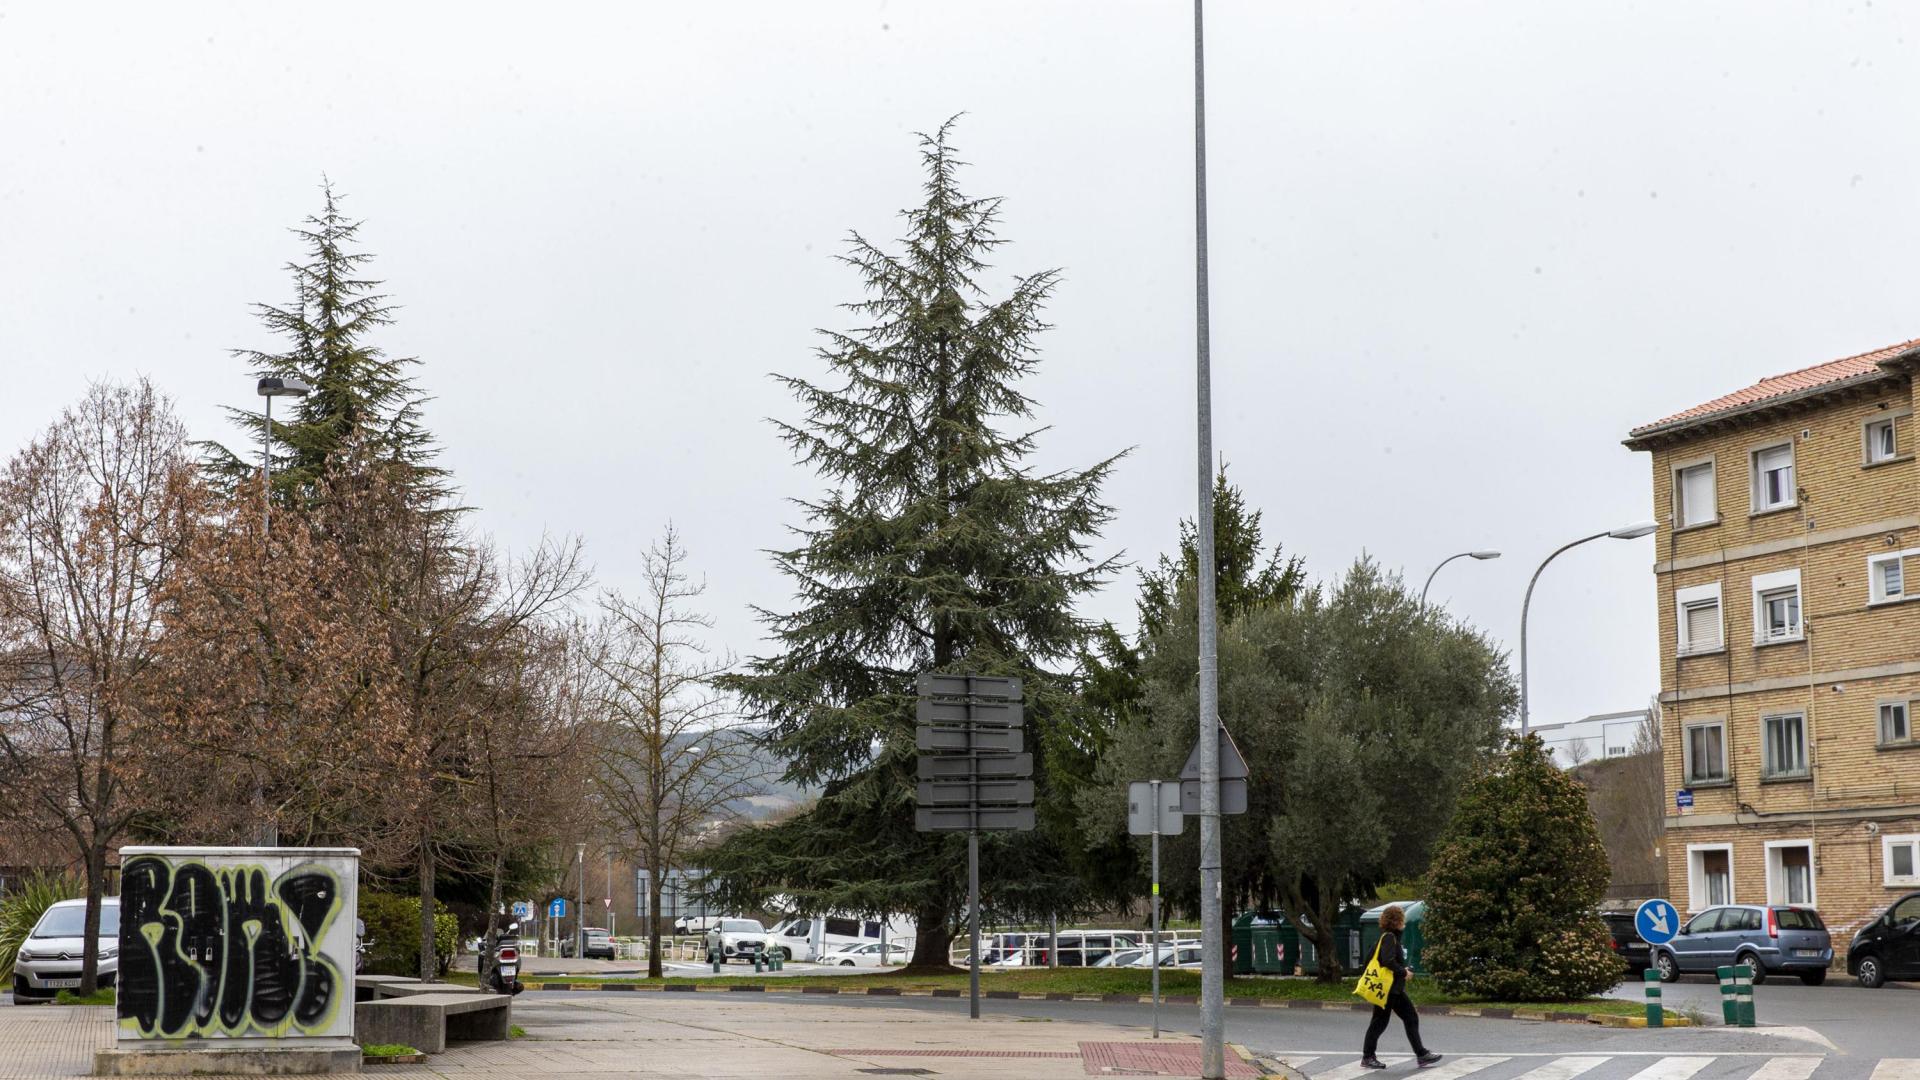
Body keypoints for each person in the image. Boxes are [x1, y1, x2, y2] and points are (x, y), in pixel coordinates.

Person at [1362, 905, 1441, 1069]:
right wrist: (1403, 972)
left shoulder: (1387, 937)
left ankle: (1421, 1054)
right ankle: (1368, 1056)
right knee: (1381, 1022)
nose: (1404, 922)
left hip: (1391, 989)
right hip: (1389, 989)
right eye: (1401, 919)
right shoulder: (1390, 937)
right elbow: (1387, 960)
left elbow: (1373, 959)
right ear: (1397, 921)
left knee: (1406, 1018)